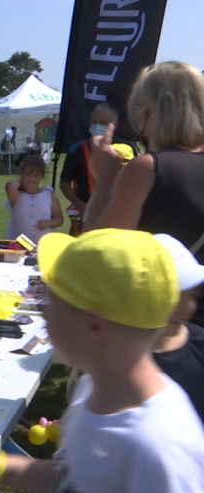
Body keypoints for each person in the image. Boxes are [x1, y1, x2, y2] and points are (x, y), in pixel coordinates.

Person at [0, 229, 204, 493]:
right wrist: (4, 468)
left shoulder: (158, 452)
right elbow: (76, 479)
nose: (42, 313)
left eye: (52, 301)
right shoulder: (92, 392)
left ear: (93, 325)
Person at [85, 61, 204, 326]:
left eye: (139, 116)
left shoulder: (149, 168)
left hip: (166, 327)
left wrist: (105, 182)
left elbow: (96, 254)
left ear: (152, 113)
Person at [60, 103, 138, 231]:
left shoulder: (128, 148)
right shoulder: (78, 149)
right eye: (94, 122)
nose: (98, 126)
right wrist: (80, 205)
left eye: (103, 123)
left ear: (115, 124)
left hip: (120, 213)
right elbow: (64, 183)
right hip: (86, 213)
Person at [152, 233, 204, 424]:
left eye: (191, 295)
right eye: (174, 295)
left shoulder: (199, 343)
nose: (188, 306)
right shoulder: (123, 358)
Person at [4, 154, 63, 243]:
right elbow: (10, 185)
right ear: (21, 174)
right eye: (28, 174)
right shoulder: (16, 195)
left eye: (36, 175)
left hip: (43, 243)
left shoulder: (49, 195)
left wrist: (48, 223)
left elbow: (59, 219)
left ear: (41, 177)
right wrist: (23, 184)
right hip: (20, 245)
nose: (32, 178)